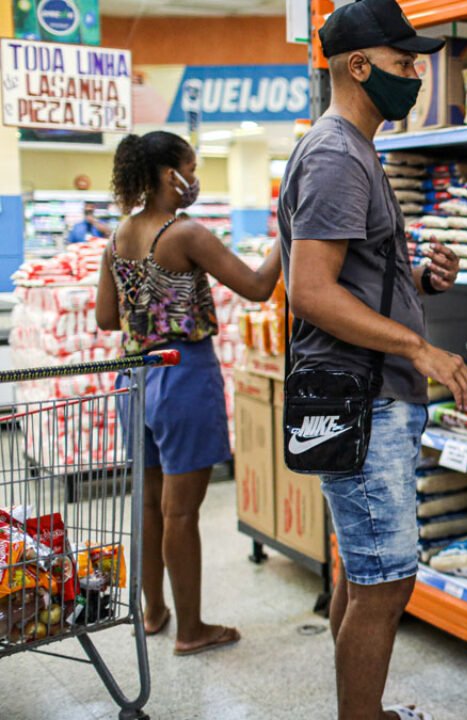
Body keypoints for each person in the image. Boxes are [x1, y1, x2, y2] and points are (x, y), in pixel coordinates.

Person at [277, 2, 467, 719]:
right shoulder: (335, 154)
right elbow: (310, 293)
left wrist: (416, 282)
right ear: (358, 66)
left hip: (362, 392)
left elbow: (346, 278)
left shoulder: (350, 148)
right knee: (385, 582)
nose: (416, 74)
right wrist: (419, 347)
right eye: (403, 62)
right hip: (362, 395)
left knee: (366, 576)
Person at [95, 130, 283, 656]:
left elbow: (107, 317)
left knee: (151, 503)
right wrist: (289, 237)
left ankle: (154, 610)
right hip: (183, 374)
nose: (194, 179)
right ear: (166, 175)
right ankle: (193, 629)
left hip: (133, 379)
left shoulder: (119, 238)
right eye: (191, 167)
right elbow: (257, 286)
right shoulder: (186, 234)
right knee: (183, 512)